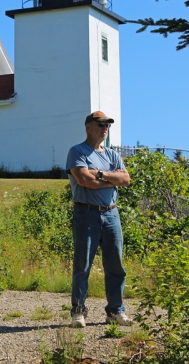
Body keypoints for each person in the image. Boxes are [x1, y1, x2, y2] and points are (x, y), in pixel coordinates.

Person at [66, 111, 132, 328]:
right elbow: (84, 180)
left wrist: (101, 175)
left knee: (116, 265)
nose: (105, 128)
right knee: (82, 264)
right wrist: (112, 179)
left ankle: (115, 311)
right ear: (88, 127)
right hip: (87, 213)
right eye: (100, 124)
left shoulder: (113, 155)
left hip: (111, 213)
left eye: (107, 125)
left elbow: (126, 179)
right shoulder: (77, 151)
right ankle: (78, 312)